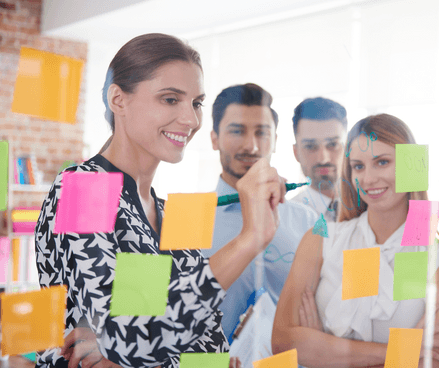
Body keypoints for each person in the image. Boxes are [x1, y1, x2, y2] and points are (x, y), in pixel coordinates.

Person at [35, 34, 284, 368]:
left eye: (196, 103)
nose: (191, 120)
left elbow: (195, 342)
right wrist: (248, 240)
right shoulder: (84, 189)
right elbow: (134, 339)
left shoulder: (169, 213)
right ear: (118, 100)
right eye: (170, 99)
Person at [273, 114, 439, 368]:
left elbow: (433, 361)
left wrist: (324, 349)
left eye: (382, 162)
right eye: (359, 166)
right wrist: (399, 352)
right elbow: (283, 343)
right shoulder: (321, 239)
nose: (368, 179)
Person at [199, 84, 319, 345]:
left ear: (275, 141)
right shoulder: (186, 219)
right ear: (214, 138)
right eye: (237, 130)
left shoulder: (307, 221)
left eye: (262, 133)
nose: (251, 146)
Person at [290, 97, 348, 222]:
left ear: (348, 148)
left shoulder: (373, 207)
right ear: (296, 153)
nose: (323, 159)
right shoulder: (284, 220)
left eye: (333, 144)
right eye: (310, 146)